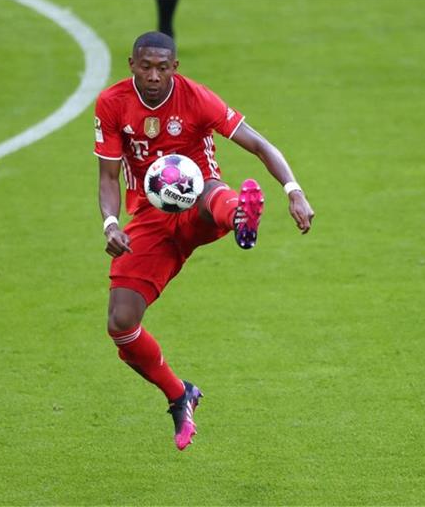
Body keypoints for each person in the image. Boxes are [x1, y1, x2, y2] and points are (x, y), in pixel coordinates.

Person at [94, 32, 314, 451]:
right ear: (131, 64)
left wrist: (293, 191)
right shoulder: (112, 103)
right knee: (121, 325)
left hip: (200, 201)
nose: (154, 75)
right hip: (148, 221)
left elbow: (260, 144)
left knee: (207, 194)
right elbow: (107, 176)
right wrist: (110, 223)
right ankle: (180, 394)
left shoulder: (197, 99)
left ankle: (240, 218)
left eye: (163, 67)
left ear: (175, 68)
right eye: (146, 67)